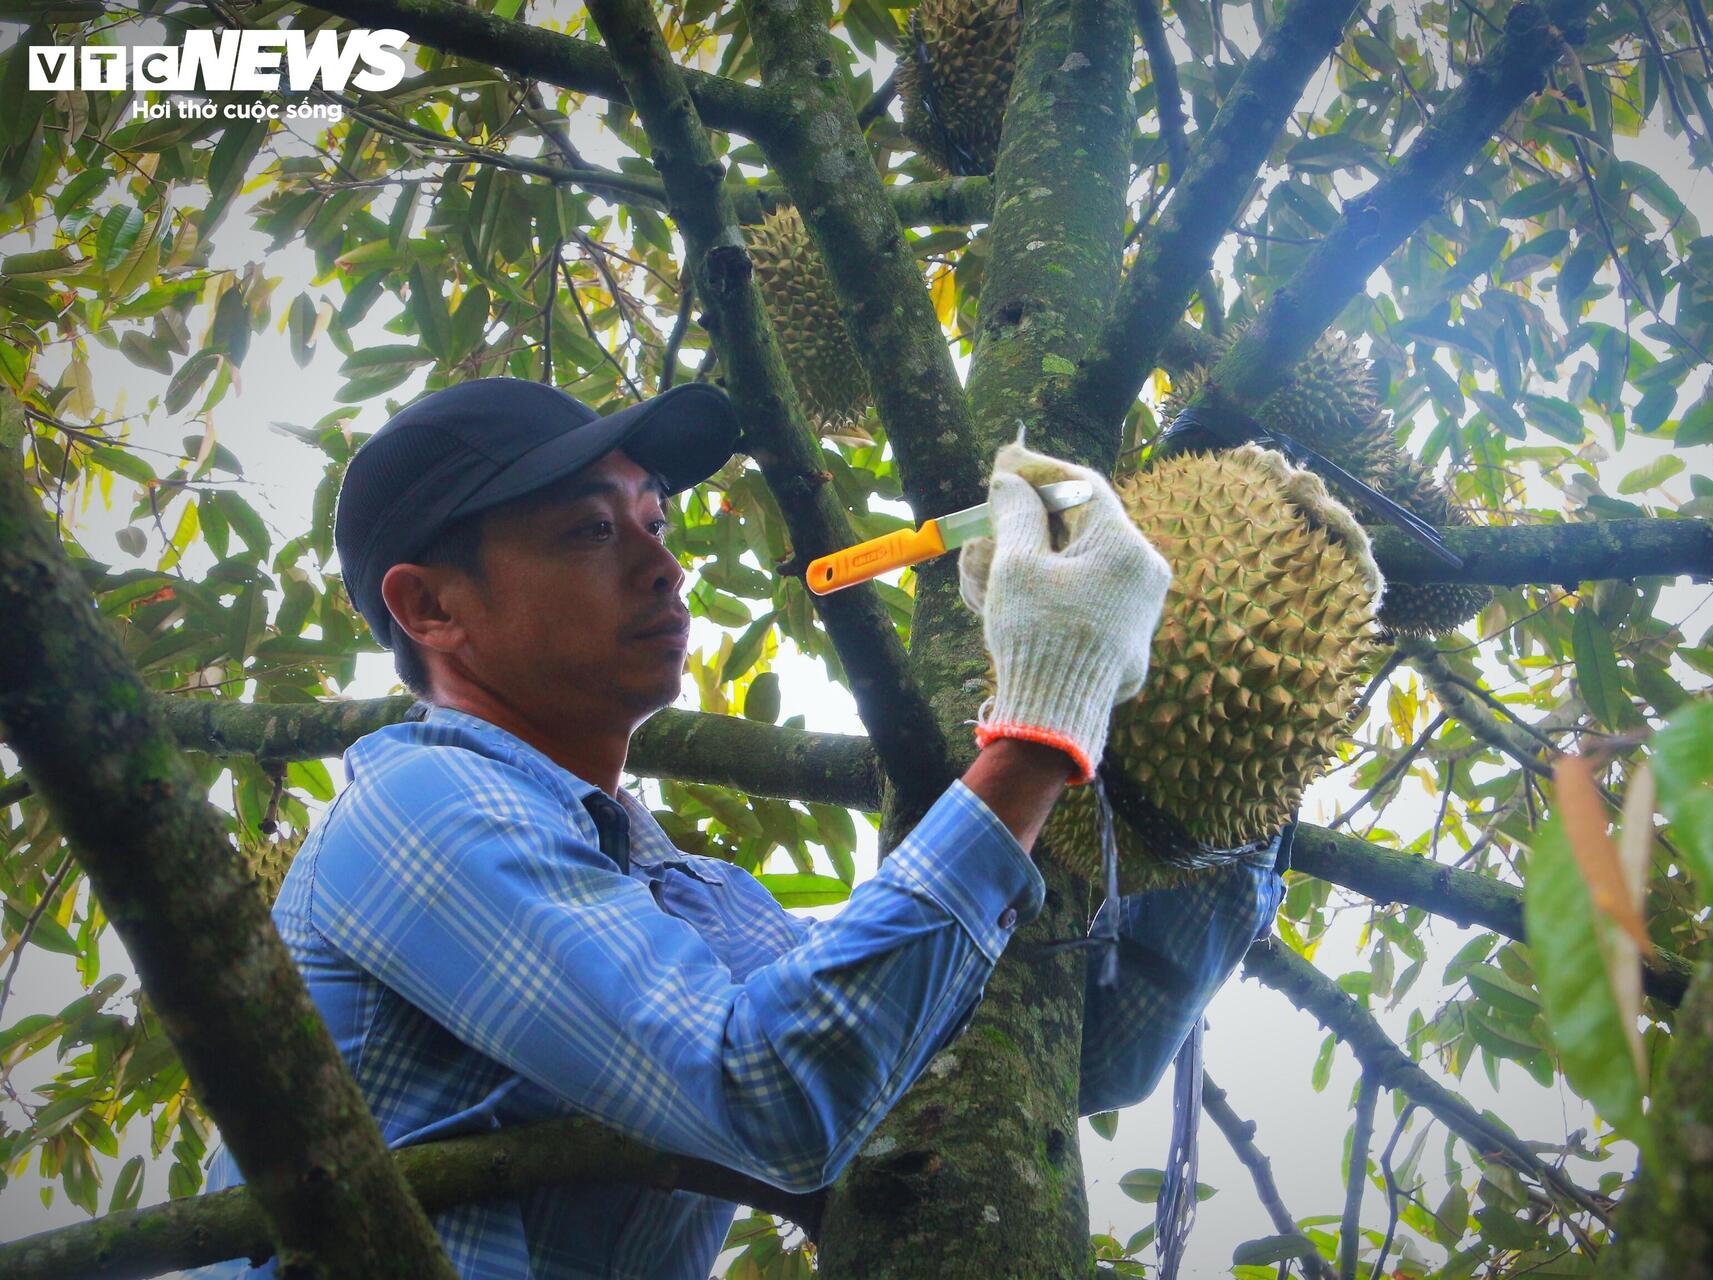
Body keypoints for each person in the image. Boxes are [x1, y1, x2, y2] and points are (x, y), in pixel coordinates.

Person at [191, 377, 1284, 1279]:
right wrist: (1041, 721)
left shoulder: (700, 902)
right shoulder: (412, 809)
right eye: (589, 529)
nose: (664, 563)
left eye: (654, 521)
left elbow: (1055, 1054)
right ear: (434, 609)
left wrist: (1225, 770)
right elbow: (766, 1091)